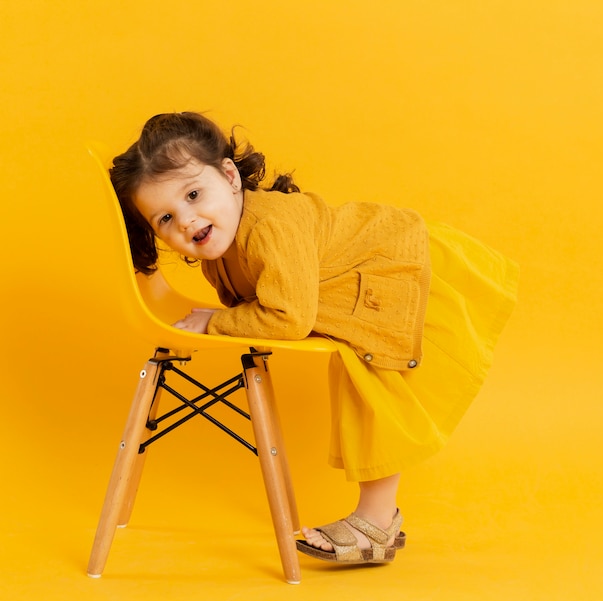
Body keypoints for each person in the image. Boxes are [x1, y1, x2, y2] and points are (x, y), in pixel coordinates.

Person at [110, 111, 519, 565]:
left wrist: (217, 323)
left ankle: (378, 523)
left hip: (401, 269)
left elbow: (286, 318)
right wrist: (223, 316)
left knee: (375, 379)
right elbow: (263, 301)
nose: (187, 221)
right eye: (166, 218)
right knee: (363, 370)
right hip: (369, 277)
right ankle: (379, 524)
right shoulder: (218, 248)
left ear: (229, 176)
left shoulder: (268, 227)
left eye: (193, 194)